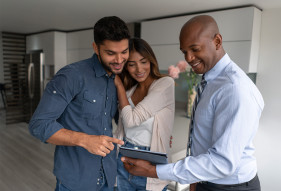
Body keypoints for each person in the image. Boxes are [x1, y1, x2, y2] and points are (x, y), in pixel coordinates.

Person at [120, 15, 264, 191]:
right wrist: (195, 180)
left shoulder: (234, 88)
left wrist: (154, 171)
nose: (188, 57)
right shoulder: (210, 81)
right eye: (184, 52)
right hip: (206, 181)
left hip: (231, 187)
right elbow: (203, 139)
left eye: (195, 49)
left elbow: (223, 162)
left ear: (217, 41)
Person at [28, 16, 130, 191]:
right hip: (76, 179)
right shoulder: (71, 76)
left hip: (108, 176)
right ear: (95, 48)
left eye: (124, 52)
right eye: (111, 53)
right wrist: (84, 140)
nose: (119, 60)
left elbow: (121, 120)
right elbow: (38, 125)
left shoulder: (116, 78)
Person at [113, 38, 175, 191]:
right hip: (124, 156)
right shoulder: (129, 91)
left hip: (151, 161)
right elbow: (122, 128)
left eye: (143, 62)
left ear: (151, 61)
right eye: (132, 64)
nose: (139, 69)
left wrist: (118, 85)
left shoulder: (165, 83)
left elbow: (131, 120)